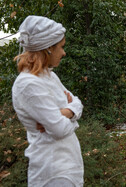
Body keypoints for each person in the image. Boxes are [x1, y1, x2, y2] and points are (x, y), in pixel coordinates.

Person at [12, 15, 84, 186]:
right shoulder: (28, 84)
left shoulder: (49, 76)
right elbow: (59, 129)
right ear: (48, 49)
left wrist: (66, 112)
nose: (64, 52)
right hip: (52, 172)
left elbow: (77, 102)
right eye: (61, 47)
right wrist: (71, 117)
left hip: (68, 166)